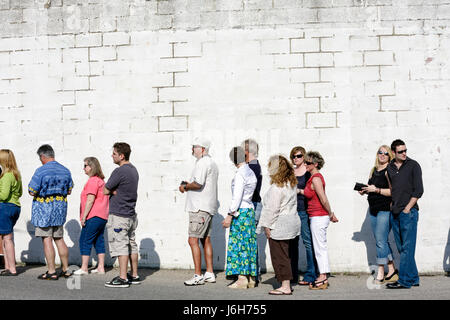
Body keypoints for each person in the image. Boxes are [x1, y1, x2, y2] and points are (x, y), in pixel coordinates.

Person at [28, 144, 74, 280]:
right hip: (59, 210)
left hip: (44, 210)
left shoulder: (41, 171)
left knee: (47, 239)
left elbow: (32, 190)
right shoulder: (65, 170)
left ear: (42, 156)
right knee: (59, 239)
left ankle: (51, 271)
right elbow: (69, 190)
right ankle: (66, 269)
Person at [257, 155, 300, 295]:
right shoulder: (291, 184)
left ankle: (285, 286)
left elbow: (272, 209)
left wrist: (267, 226)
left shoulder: (277, 188)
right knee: (288, 254)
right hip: (292, 221)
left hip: (280, 224)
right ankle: (288, 281)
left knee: (279, 255)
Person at [179, 138, 219, 286]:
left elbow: (198, 184)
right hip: (208, 207)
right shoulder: (212, 163)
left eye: (194, 147)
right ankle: (209, 273)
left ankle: (197, 275)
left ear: (202, 149)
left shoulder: (202, 163)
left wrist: (185, 187)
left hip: (199, 208)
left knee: (193, 240)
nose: (192, 149)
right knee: (205, 239)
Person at [386, 139, 423, 289]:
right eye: (400, 151)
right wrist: (392, 204)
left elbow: (419, 190)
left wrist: (408, 208)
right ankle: (413, 278)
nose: (404, 153)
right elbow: (392, 188)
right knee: (402, 248)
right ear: (393, 152)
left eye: (405, 150)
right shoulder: (390, 167)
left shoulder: (413, 165)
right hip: (395, 212)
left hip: (408, 213)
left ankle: (404, 281)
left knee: (407, 248)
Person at [359, 145, 398, 284]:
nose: (382, 155)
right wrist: (365, 190)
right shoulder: (374, 170)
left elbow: (393, 192)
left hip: (385, 210)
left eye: (385, 153)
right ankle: (392, 269)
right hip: (373, 209)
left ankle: (381, 271)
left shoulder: (390, 170)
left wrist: (376, 190)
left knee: (381, 242)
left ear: (390, 156)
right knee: (382, 241)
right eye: (380, 152)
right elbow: (371, 188)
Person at [300, 151, 338, 290]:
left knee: (319, 248)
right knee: (318, 247)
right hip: (315, 216)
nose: (305, 164)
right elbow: (310, 193)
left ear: (315, 164)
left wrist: (330, 213)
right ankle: (323, 275)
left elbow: (323, 198)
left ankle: (323, 277)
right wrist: (298, 191)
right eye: (305, 162)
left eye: (308, 163)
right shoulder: (312, 178)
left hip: (319, 216)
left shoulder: (316, 178)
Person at [104, 142, 140, 288]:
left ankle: (123, 277)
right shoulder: (134, 170)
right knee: (131, 244)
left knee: (121, 245)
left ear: (121, 155)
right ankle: (134, 274)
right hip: (131, 214)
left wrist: (112, 191)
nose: (112, 156)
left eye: (114, 153)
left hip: (119, 214)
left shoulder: (119, 171)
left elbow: (106, 190)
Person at [222, 146, 258, 289]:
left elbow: (237, 197)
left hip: (240, 212)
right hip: (249, 211)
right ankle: (251, 278)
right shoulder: (250, 172)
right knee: (248, 243)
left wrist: (230, 215)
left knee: (239, 245)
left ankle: (241, 278)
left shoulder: (240, 174)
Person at [74, 157, 109, 276]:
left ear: (92, 167)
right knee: (99, 240)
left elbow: (90, 199)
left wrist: (83, 217)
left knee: (84, 240)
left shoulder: (93, 181)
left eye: (85, 166)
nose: (83, 168)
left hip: (93, 215)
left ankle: (84, 268)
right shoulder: (101, 181)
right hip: (102, 216)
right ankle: (101, 267)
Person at [289, 146, 316, 286]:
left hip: (304, 211)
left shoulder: (308, 172)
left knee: (307, 242)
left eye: (299, 156)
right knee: (292, 243)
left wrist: (299, 191)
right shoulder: (291, 172)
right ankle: (292, 275)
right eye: (293, 156)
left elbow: (313, 190)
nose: (296, 159)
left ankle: (311, 274)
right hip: (291, 211)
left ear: (303, 156)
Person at [241, 138, 263, 280]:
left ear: (247, 151)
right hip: (254, 203)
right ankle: (252, 270)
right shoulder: (253, 165)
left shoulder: (252, 166)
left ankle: (253, 271)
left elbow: (249, 189)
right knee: (250, 239)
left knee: (250, 239)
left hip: (252, 204)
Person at [0, 149, 22, 276]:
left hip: (5, 207)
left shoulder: (6, 175)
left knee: (7, 239)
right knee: (6, 237)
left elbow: (3, 195)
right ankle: (8, 266)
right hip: (15, 206)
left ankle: (12, 269)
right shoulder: (16, 174)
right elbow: (20, 193)